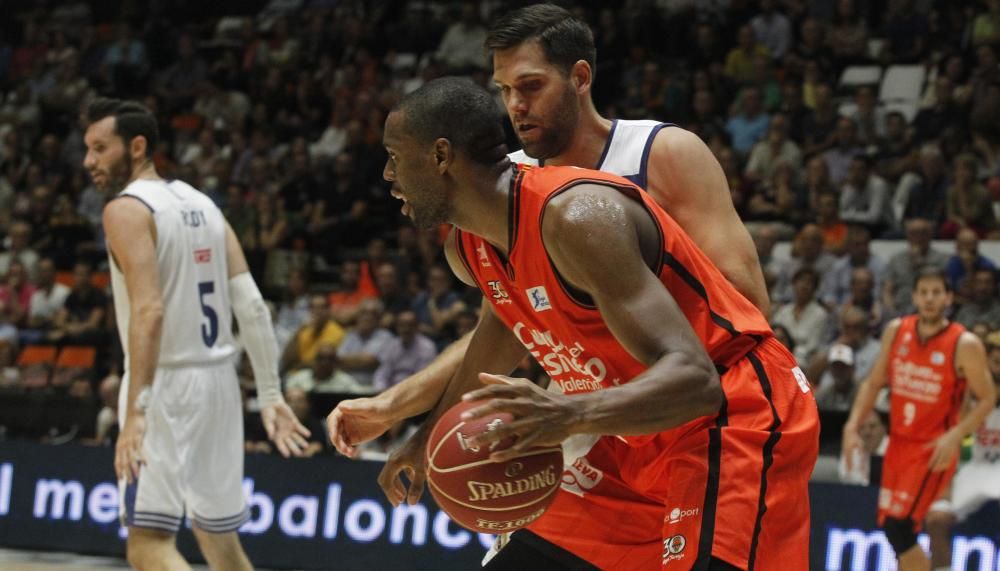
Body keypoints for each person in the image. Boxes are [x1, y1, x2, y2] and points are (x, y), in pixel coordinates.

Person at [328, 4, 772, 568]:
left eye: (530, 86)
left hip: (702, 407)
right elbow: (514, 325)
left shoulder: (655, 157)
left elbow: (742, 307)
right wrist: (409, 414)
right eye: (504, 89)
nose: (515, 105)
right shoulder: (498, 194)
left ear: (580, 78)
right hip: (608, 422)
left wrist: (613, 312)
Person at [84, 98, 309, 571]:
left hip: (164, 383)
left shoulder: (125, 210)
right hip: (220, 385)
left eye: (100, 148)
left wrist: (137, 410)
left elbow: (149, 311)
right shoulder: (202, 202)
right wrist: (269, 394)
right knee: (218, 537)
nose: (90, 161)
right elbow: (250, 304)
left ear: (138, 145)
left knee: (148, 543)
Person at [842, 266, 996, 571]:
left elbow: (988, 397)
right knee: (894, 526)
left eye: (936, 292)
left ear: (949, 298)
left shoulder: (963, 344)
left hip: (932, 449)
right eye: (923, 292)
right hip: (898, 444)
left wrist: (956, 436)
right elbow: (873, 383)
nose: (929, 298)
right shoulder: (896, 331)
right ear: (913, 295)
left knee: (898, 528)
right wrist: (851, 426)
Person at [923, 336, 1000, 570]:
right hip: (975, 470)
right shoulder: (973, 394)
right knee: (935, 519)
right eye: (995, 360)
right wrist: (946, 486)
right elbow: (954, 435)